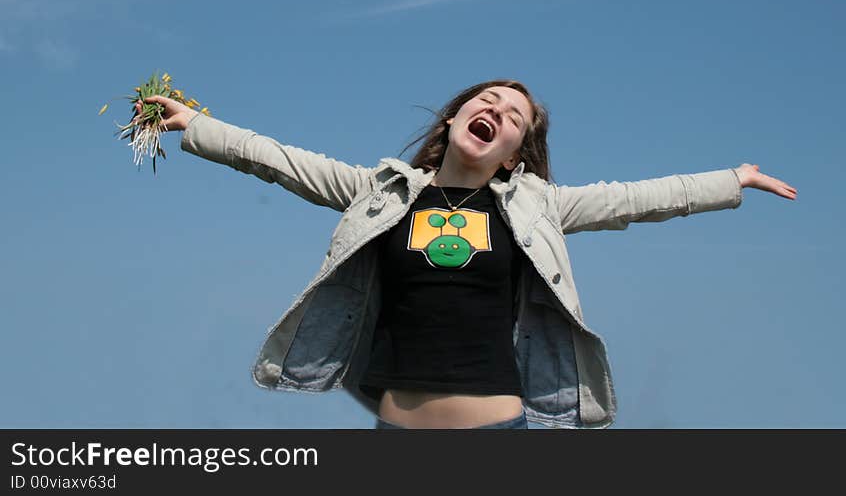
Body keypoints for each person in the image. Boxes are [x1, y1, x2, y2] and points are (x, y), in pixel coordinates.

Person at [135, 80, 797, 430]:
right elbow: (281, 161)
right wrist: (198, 126)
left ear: (514, 150)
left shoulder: (534, 206)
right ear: (454, 119)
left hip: (496, 429)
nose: (498, 109)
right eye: (489, 100)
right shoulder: (383, 191)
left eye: (514, 115)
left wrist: (730, 180)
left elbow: (634, 198)